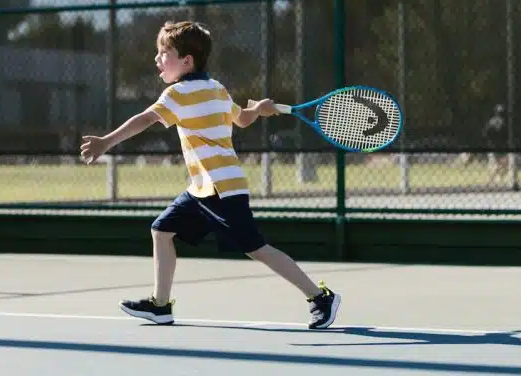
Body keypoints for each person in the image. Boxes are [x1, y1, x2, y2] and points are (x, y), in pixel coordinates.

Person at [79, 20, 341, 329]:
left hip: (221, 189)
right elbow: (242, 119)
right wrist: (258, 109)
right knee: (161, 231)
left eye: (164, 53)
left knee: (256, 248)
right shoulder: (216, 88)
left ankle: (319, 298)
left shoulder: (178, 94)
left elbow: (144, 119)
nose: (157, 59)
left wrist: (106, 142)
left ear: (186, 61)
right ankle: (160, 306)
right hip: (203, 188)